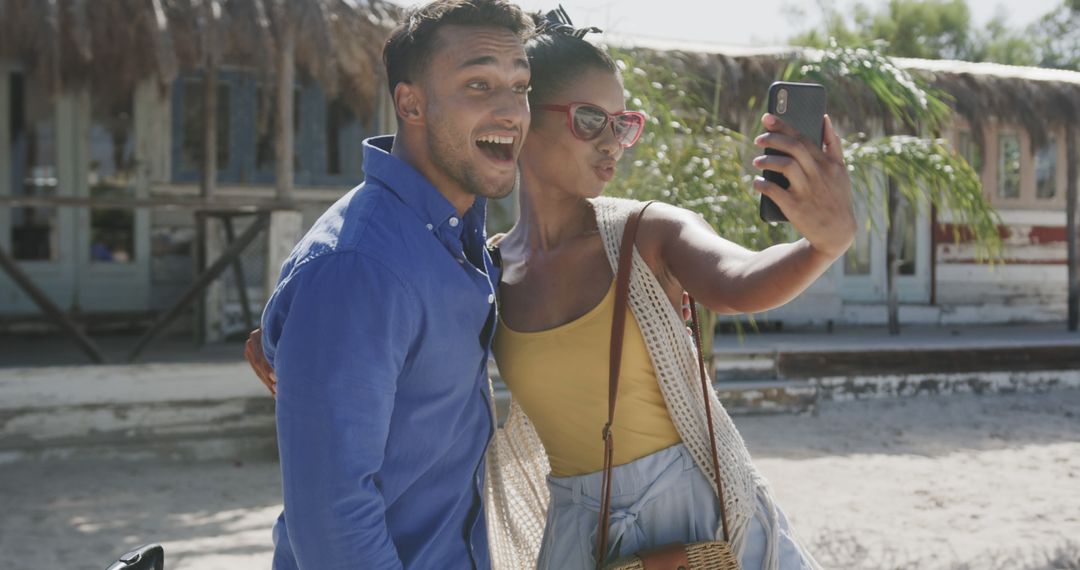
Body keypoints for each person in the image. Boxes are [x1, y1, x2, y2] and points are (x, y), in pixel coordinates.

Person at [249, 8, 855, 570]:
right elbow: (333, 512)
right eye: (591, 119)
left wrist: (820, 245)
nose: (612, 140)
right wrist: (294, 351)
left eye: (625, 124)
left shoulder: (580, 238)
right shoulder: (436, 263)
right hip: (570, 532)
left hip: (694, 521)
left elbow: (738, 281)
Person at [256, 1, 533, 568]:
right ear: (411, 103)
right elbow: (331, 518)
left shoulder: (453, 234)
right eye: (479, 84)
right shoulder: (360, 267)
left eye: (520, 86)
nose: (511, 111)